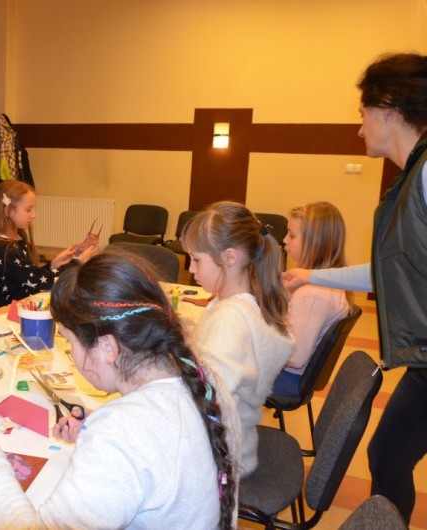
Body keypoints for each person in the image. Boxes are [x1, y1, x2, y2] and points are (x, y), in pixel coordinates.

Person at [0, 251, 237, 529]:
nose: (71, 354)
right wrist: (99, 427)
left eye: (70, 342)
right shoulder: (204, 381)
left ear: (107, 347)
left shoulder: (121, 433)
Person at [283, 53, 427, 523]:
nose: (359, 128)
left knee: (388, 455)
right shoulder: (412, 177)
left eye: (363, 114)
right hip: (423, 361)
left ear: (389, 108)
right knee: (387, 455)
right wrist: (310, 275)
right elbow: (390, 272)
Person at [182, 200, 294, 477]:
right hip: (236, 443)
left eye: (197, 260)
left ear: (229, 257)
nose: (191, 269)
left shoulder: (230, 319)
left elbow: (206, 402)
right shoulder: (241, 305)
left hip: (218, 457)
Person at [0, 180, 97, 309]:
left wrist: (53, 264)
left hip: (22, 308)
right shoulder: (3, 248)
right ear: (8, 211)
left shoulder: (19, 238)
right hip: (6, 314)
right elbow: (40, 281)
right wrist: (77, 263)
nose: (34, 215)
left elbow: (29, 275)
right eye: (28, 209)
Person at [271, 202, 351, 397]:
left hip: (287, 378)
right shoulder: (329, 281)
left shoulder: (313, 294)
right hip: (293, 375)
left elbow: (295, 357)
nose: (284, 240)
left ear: (314, 242)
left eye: (291, 235)